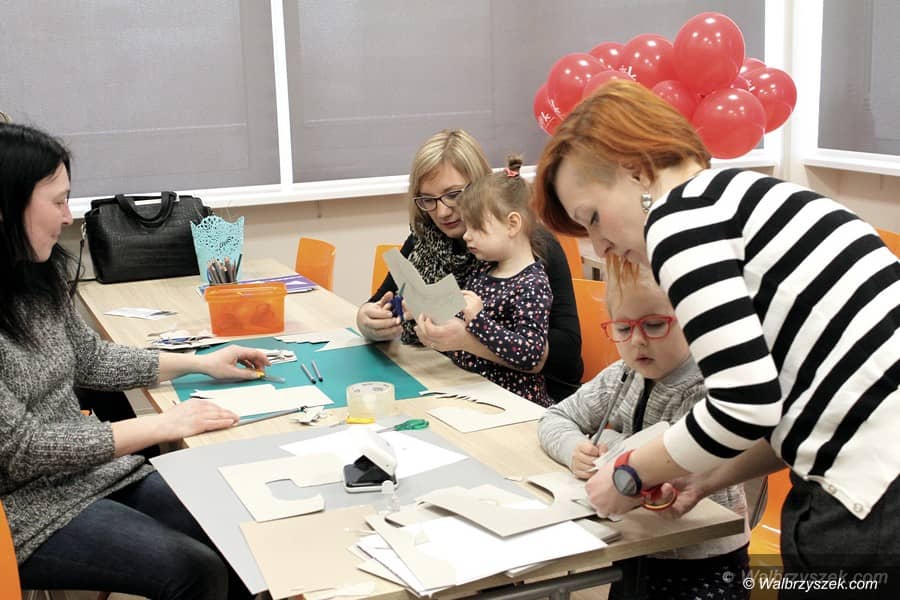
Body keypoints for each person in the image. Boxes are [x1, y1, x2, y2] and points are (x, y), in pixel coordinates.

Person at [533, 80, 899, 593]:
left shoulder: (679, 221)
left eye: (593, 218)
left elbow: (743, 406)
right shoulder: (749, 199)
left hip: (868, 495)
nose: (601, 244)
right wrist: (704, 478)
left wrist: (628, 473)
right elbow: (794, 410)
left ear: (636, 169)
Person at [0, 122, 268, 599]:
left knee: (237, 520)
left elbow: (90, 359)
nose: (68, 217)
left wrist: (202, 362)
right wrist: (160, 426)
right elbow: (21, 450)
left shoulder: (35, 276)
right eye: (57, 201)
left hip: (87, 473)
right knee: (195, 570)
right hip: (19, 510)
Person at [539, 261, 749, 599]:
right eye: (623, 328)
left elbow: (672, 464)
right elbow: (557, 416)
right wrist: (573, 448)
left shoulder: (708, 388)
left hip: (702, 554)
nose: (637, 341)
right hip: (636, 542)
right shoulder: (622, 374)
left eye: (654, 325)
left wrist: (609, 441)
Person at [356, 129, 583, 401]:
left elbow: (566, 357)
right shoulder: (424, 240)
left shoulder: (531, 247)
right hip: (455, 382)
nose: (442, 212)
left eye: (453, 195)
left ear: (479, 186)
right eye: (428, 199)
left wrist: (468, 341)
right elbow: (382, 301)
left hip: (525, 399)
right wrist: (369, 319)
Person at [442, 155, 553, 405]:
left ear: (512, 224)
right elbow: (457, 315)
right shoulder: (484, 269)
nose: (466, 236)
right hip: (472, 391)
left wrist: (478, 320)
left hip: (513, 404)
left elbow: (530, 354)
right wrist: (423, 308)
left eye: (476, 227)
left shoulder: (532, 284)